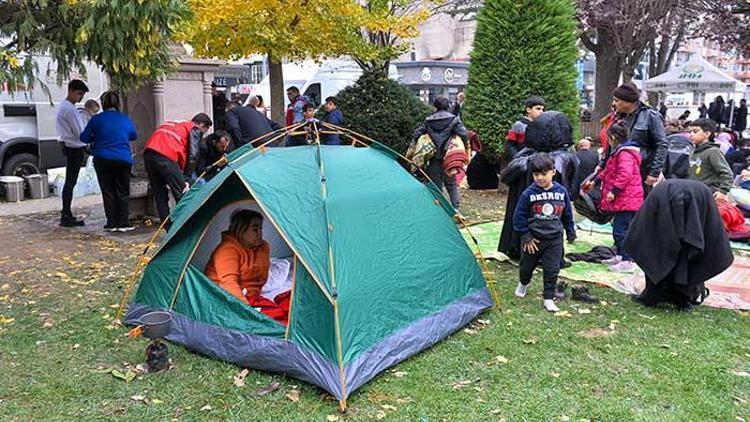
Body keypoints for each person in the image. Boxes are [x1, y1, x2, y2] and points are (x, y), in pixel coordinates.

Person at [626, 179, 733, 311]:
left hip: (671, 196)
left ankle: (658, 294)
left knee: (659, 242)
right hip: (689, 196)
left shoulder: (666, 188)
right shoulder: (698, 190)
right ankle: (683, 296)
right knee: (680, 244)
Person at [512, 153, 576, 312]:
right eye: (536, 174)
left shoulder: (562, 192)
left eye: (543, 174)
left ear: (553, 172)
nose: (540, 178)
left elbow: (567, 214)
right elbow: (518, 217)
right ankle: (523, 283)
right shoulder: (528, 193)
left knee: (552, 269)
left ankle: (548, 298)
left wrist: (570, 231)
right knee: (526, 268)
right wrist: (526, 237)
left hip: (554, 240)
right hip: (533, 240)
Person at [204, 210, 290, 324]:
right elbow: (229, 285)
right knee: (276, 320)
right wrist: (247, 311)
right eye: (255, 229)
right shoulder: (227, 250)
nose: (260, 233)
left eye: (261, 228)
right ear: (240, 230)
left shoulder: (263, 247)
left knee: (291, 307)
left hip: (253, 297)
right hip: (227, 300)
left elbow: (259, 277)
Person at [79, 91, 138, 232]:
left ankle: (111, 223)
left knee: (108, 191)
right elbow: (134, 135)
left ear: (103, 104)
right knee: (123, 191)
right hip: (123, 159)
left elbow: (84, 138)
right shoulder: (125, 119)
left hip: (102, 158)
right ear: (118, 104)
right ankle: (123, 222)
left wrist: (97, 137)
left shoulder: (96, 119)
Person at [592, 122, 644, 273]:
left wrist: (613, 191)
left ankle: (627, 260)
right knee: (618, 229)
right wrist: (595, 181)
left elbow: (625, 174)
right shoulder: (619, 152)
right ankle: (621, 255)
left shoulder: (625, 154)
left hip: (627, 199)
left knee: (622, 231)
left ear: (613, 137)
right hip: (625, 199)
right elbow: (608, 171)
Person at [143, 113, 212, 225]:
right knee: (182, 191)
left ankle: (166, 224)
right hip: (167, 155)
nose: (202, 135)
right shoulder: (194, 129)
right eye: (204, 131)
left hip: (149, 154)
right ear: (202, 125)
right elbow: (193, 154)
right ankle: (188, 224)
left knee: (159, 192)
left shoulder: (177, 123)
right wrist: (186, 178)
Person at [607, 82, 668, 189]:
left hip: (642, 171)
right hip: (620, 170)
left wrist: (654, 172)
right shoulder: (618, 117)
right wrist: (603, 164)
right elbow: (611, 142)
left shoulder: (651, 116)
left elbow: (662, 144)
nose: (614, 103)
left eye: (617, 100)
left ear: (628, 102)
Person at [411, 96, 468, 209]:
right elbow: (464, 134)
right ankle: (455, 210)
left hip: (433, 160)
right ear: (448, 106)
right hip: (449, 158)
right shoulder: (454, 120)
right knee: (451, 185)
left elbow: (416, 134)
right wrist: (463, 146)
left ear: (435, 106)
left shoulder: (428, 121)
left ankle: (439, 211)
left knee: (435, 188)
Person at [55, 79, 89, 227]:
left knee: (70, 182)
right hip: (74, 147)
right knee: (70, 182)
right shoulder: (69, 109)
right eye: (79, 94)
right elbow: (80, 133)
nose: (81, 97)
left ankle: (66, 213)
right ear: (71, 91)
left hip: (70, 145)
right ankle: (66, 214)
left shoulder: (65, 106)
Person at [686, 118, 734, 202]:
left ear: (707, 134)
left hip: (707, 194)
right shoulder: (693, 151)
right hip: (693, 193)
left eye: (695, 131)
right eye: (690, 132)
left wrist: (723, 191)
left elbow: (727, 173)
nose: (691, 134)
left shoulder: (713, 151)